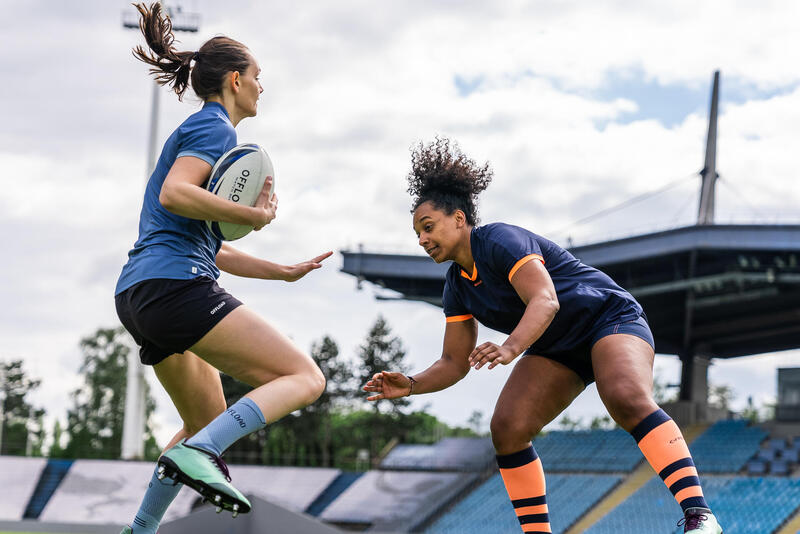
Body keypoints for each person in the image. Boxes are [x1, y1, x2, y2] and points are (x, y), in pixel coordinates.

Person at [363, 137, 723, 534]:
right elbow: (453, 362)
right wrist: (411, 384)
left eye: (428, 227)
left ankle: (700, 517)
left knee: (624, 396)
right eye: (417, 233)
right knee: (507, 429)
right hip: (557, 347)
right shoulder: (456, 287)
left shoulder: (500, 240)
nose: (422, 240)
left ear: (460, 219)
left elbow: (545, 300)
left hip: (607, 318)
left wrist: (510, 347)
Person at [114, 4, 331, 533]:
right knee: (305, 377)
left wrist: (279, 271)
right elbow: (176, 192)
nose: (262, 87)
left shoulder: (203, 131)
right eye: (258, 77)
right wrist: (252, 215)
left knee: (202, 421)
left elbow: (208, 242)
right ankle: (204, 454)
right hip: (174, 286)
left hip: (141, 293)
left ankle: (139, 530)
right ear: (235, 80)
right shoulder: (216, 131)